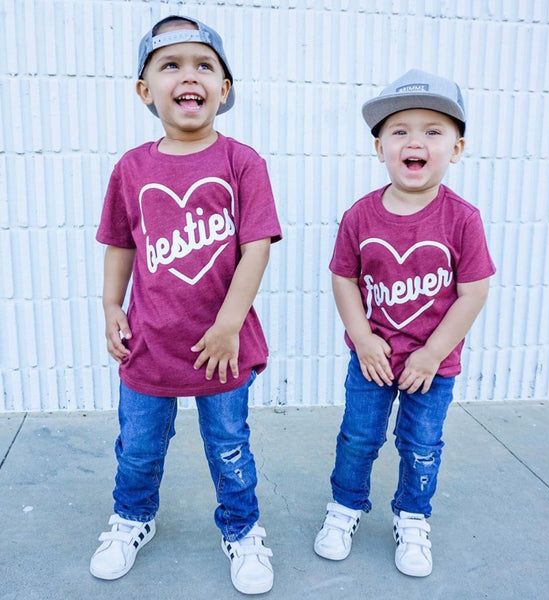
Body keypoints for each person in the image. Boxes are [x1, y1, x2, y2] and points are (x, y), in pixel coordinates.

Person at [90, 15, 281, 595]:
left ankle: (242, 529)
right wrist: (111, 305)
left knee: (229, 447)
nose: (188, 76)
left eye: (204, 65)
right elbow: (121, 242)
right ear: (145, 90)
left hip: (222, 346)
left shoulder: (242, 162)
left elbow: (255, 248)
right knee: (138, 448)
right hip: (150, 342)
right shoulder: (132, 168)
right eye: (170, 65)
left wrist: (228, 325)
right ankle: (132, 518)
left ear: (224, 88)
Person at [314, 69, 495, 577]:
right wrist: (362, 338)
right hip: (372, 361)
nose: (415, 142)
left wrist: (432, 354)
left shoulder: (463, 219)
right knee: (358, 438)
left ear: (456, 149)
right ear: (380, 148)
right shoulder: (360, 216)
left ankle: (412, 516)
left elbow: (474, 291)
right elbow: (344, 278)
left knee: (421, 445)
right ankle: (345, 507)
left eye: (433, 131)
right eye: (400, 131)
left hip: (432, 367)